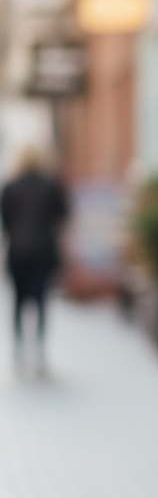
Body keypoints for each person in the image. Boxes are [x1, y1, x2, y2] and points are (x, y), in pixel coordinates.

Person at [1, 145, 69, 374]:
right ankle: (39, 350)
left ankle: (19, 350)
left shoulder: (11, 187)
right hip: (44, 250)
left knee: (18, 301)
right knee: (40, 300)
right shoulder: (51, 185)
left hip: (18, 251)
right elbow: (63, 215)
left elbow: (5, 221)